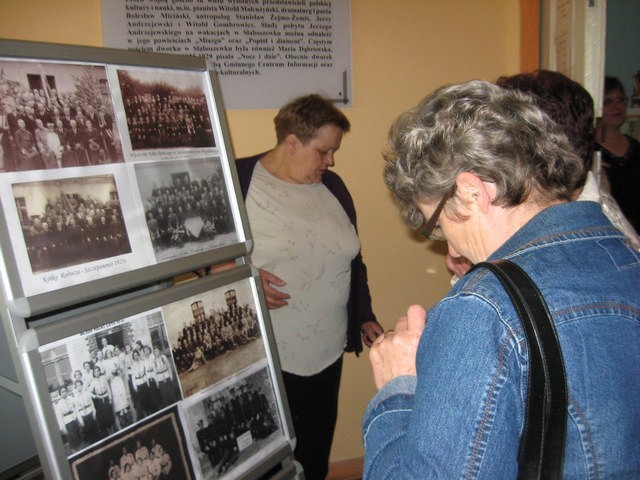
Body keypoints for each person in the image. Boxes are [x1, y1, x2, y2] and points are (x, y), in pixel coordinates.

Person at [363, 80, 640, 478]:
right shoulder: (624, 252)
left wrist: (397, 387)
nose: (453, 251)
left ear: (473, 192)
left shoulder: (482, 308)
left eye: (439, 226)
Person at [235, 93, 382, 479]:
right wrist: (237, 281)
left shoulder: (332, 187)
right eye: (323, 151)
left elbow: (352, 259)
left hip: (326, 350)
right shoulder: (238, 181)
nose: (330, 161)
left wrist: (363, 314)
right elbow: (198, 263)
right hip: (268, 356)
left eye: (333, 151)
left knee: (314, 456)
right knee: (265, 461)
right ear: (292, 142)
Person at [595, 76, 640, 233]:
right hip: (611, 231)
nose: (617, 107)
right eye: (608, 102)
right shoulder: (592, 152)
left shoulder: (635, 147)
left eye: (620, 100)